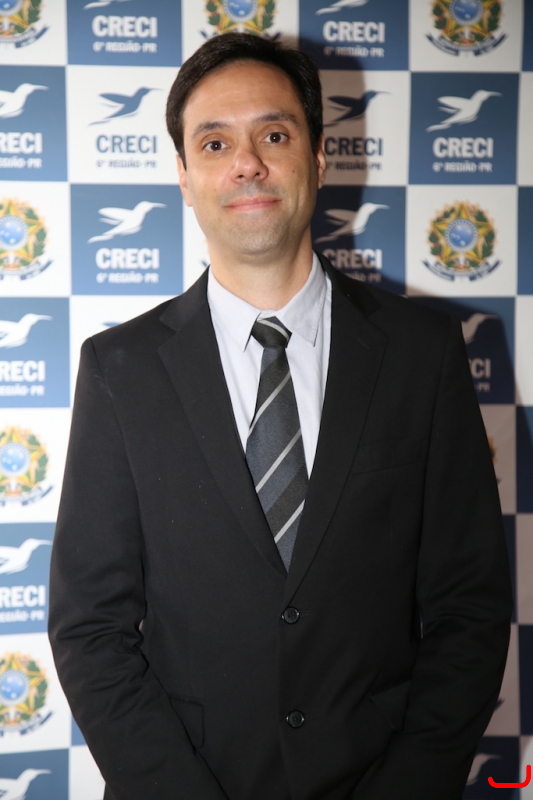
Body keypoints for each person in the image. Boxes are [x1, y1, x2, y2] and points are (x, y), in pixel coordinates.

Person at [49, 33, 512, 800]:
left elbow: (470, 609)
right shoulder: (118, 368)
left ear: (319, 157)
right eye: (214, 143)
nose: (246, 164)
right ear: (184, 176)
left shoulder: (422, 353)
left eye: (273, 134)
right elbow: (89, 629)